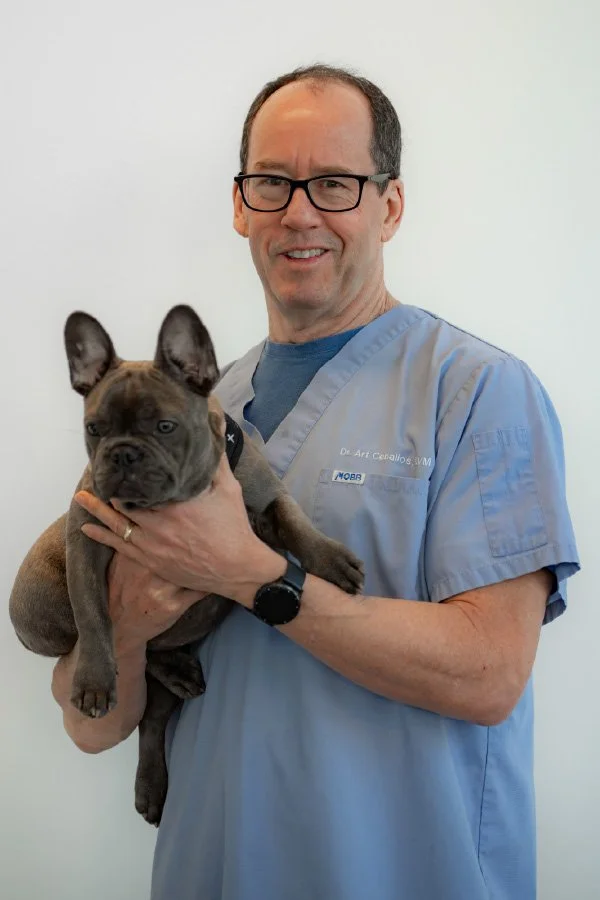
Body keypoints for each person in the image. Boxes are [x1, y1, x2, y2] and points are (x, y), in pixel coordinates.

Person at [51, 64, 580, 900]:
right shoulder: (182, 411)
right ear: (239, 205)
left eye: (335, 183)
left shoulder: (478, 390)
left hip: (400, 870)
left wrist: (254, 574)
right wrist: (120, 627)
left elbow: (490, 675)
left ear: (390, 205)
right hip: (213, 864)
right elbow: (89, 727)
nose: (299, 212)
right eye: (272, 182)